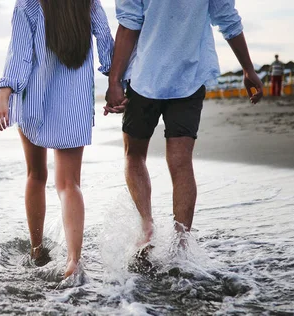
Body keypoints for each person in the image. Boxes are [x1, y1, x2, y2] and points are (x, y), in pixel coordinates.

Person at [105, 0, 263, 252]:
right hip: (188, 78)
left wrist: (114, 81)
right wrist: (247, 68)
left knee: (134, 155)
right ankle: (181, 244)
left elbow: (128, 25)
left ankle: (147, 228)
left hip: (145, 78)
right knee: (181, 162)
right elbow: (228, 19)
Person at [0, 0, 114, 278]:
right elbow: (106, 39)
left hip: (34, 100)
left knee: (36, 174)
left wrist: (4, 95)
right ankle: (73, 260)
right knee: (69, 183)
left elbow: (20, 54)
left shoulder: (29, 3)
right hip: (74, 103)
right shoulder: (88, 2)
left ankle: (37, 249)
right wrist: (115, 80)